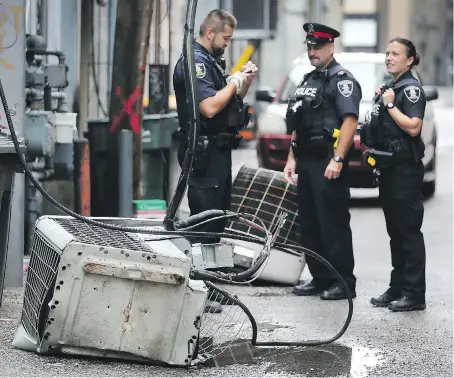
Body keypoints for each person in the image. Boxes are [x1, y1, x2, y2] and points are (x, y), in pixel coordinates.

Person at [173, 10, 258, 313]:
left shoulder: (211, 62)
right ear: (210, 34)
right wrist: (233, 82)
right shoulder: (194, 62)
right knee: (204, 224)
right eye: (226, 38)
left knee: (218, 224)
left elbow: (230, 105)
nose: (228, 43)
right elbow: (209, 107)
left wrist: (242, 82)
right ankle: (197, 288)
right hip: (204, 154)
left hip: (219, 152)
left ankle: (212, 285)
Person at [284, 23, 362, 300]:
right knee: (310, 224)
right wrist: (291, 158)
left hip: (328, 162)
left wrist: (338, 158)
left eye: (318, 46)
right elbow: (298, 122)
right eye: (309, 46)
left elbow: (350, 121)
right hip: (306, 161)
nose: (313, 51)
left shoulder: (341, 80)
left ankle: (343, 282)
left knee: (333, 224)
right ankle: (320, 277)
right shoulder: (308, 80)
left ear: (331, 46)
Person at [362, 38, 427, 312]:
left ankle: (414, 294)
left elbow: (413, 127)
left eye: (395, 54)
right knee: (395, 232)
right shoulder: (391, 88)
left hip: (405, 171)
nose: (389, 57)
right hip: (389, 169)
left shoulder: (410, 90)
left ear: (410, 59)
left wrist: (390, 106)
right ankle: (398, 287)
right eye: (387, 53)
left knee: (408, 232)